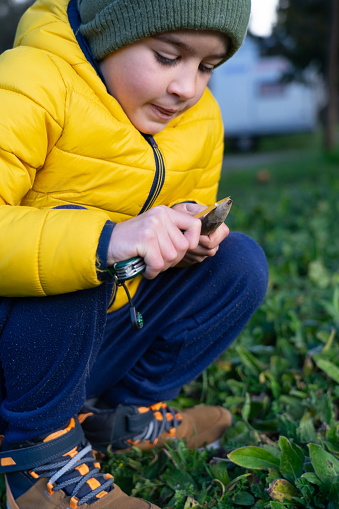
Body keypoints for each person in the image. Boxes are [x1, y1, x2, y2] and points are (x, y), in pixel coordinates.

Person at [0, 0, 268, 507]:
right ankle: (40, 463)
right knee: (77, 264)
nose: (187, 88)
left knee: (238, 265)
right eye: (168, 56)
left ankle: (118, 419)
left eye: (207, 67)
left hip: (89, 347)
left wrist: (184, 242)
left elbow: (152, 248)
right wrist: (105, 241)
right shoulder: (29, 82)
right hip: (14, 357)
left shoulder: (199, 118)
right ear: (109, 30)